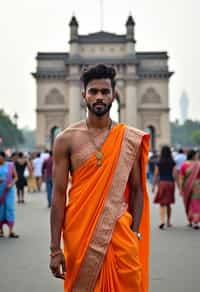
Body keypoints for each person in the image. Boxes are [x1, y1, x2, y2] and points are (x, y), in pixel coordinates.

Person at [49, 64, 150, 292]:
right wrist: (55, 249)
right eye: (93, 91)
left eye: (105, 92)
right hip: (80, 234)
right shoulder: (66, 140)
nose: (99, 97)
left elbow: (136, 190)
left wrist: (132, 235)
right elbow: (57, 195)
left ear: (114, 95)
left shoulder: (128, 138)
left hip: (121, 237)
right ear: (83, 94)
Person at [152, 145, 178, 229]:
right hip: (170, 183)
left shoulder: (159, 162)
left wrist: (153, 186)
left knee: (162, 203)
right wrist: (178, 185)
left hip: (162, 183)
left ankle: (162, 221)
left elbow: (156, 175)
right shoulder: (172, 162)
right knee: (168, 203)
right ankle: (169, 221)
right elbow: (175, 174)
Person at [179, 149, 200, 229]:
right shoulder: (198, 164)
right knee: (196, 203)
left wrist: (181, 188)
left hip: (187, 186)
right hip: (197, 186)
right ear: (194, 156)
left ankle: (191, 220)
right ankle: (195, 221)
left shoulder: (184, 165)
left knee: (188, 203)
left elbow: (181, 178)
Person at [0, 151, 19, 238]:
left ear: (3, 157)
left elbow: (16, 177)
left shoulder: (10, 165)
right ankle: (1, 231)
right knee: (1, 210)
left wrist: (11, 184)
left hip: (9, 190)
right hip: (0, 191)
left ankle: (11, 231)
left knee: (10, 208)